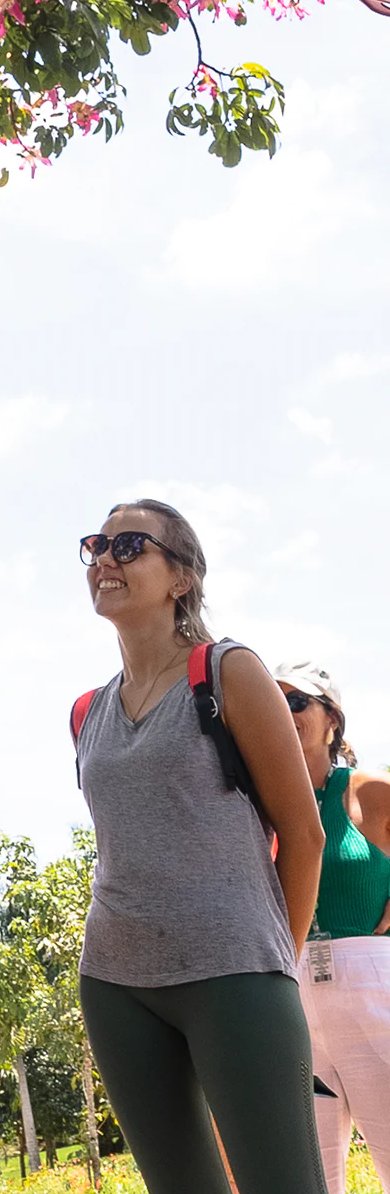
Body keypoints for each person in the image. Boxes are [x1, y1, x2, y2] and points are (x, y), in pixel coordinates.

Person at [72, 500, 326, 1194]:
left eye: (129, 545)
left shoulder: (227, 673)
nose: (105, 559)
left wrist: (277, 963)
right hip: (116, 983)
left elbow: (304, 836)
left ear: (181, 576)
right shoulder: (86, 711)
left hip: (236, 973)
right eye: (96, 544)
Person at [276, 660, 390, 1188]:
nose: (285, 711)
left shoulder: (364, 789)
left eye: (298, 701)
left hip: (370, 984)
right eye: (274, 702)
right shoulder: (259, 805)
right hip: (294, 997)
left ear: (332, 720)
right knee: (308, 1172)